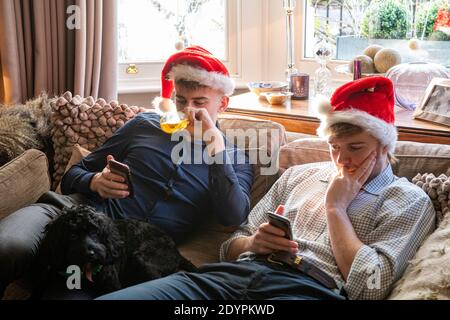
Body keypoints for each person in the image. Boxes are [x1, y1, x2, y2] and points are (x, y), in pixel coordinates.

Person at [98, 77, 436, 301]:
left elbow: (369, 288)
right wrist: (252, 242)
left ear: (385, 145)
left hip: (307, 289)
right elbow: (230, 244)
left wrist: (336, 208)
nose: (341, 160)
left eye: (356, 148)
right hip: (235, 276)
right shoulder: (298, 176)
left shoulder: (408, 200)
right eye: (334, 146)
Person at [0, 46, 253, 298]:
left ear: (223, 104)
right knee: (7, 247)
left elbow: (232, 215)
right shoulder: (144, 125)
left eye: (199, 103)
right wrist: (95, 181)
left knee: (65, 294)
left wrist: (216, 150)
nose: (188, 111)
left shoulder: (234, 159)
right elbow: (71, 177)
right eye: (180, 101)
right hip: (61, 212)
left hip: (108, 253)